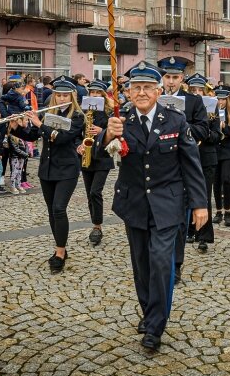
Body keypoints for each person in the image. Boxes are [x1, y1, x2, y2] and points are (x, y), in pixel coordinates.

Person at [98, 61, 207, 351]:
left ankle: (155, 326)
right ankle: (149, 312)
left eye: (147, 87)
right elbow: (99, 154)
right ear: (129, 92)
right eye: (136, 88)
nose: (142, 92)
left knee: (161, 263)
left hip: (168, 204)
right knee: (142, 266)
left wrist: (200, 204)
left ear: (159, 91)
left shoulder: (175, 120)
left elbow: (191, 165)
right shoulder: (121, 121)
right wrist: (108, 134)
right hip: (134, 204)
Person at [157, 56, 208, 284]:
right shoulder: (155, 98)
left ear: (182, 78)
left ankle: (176, 264)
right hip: (160, 163)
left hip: (182, 163)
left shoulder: (194, 101)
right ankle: (159, 259)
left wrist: (181, 125)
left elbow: (204, 129)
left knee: (179, 220)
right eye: (167, 77)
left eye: (175, 77)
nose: (170, 81)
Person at [26, 78, 85, 272]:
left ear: (71, 96)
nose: (61, 98)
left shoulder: (76, 116)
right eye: (58, 95)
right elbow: (34, 136)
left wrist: (39, 124)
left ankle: (60, 251)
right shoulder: (48, 113)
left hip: (67, 168)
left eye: (65, 95)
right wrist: (18, 126)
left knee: (59, 208)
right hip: (47, 168)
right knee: (52, 210)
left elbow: (62, 138)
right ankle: (61, 245)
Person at [184, 73, 219, 251]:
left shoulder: (212, 109)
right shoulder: (187, 106)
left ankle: (204, 235)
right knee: (187, 195)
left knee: (204, 196)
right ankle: (189, 229)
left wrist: (204, 135)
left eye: (200, 90)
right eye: (193, 90)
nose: (197, 93)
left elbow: (217, 135)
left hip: (206, 157)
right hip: (189, 156)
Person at [78, 79, 115, 246]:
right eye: (92, 92)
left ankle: (98, 225)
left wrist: (104, 131)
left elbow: (117, 133)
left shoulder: (109, 112)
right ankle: (95, 225)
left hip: (102, 158)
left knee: (95, 192)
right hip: (86, 157)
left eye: (98, 92)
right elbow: (75, 134)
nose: (94, 95)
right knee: (89, 194)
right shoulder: (82, 112)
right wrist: (78, 145)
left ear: (103, 95)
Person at [212, 87, 230, 228]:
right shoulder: (211, 113)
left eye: (223, 99)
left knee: (227, 179)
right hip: (215, 150)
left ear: (227, 100)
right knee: (216, 181)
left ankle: (227, 211)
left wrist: (225, 127)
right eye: (218, 99)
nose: (220, 101)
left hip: (228, 151)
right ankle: (218, 211)